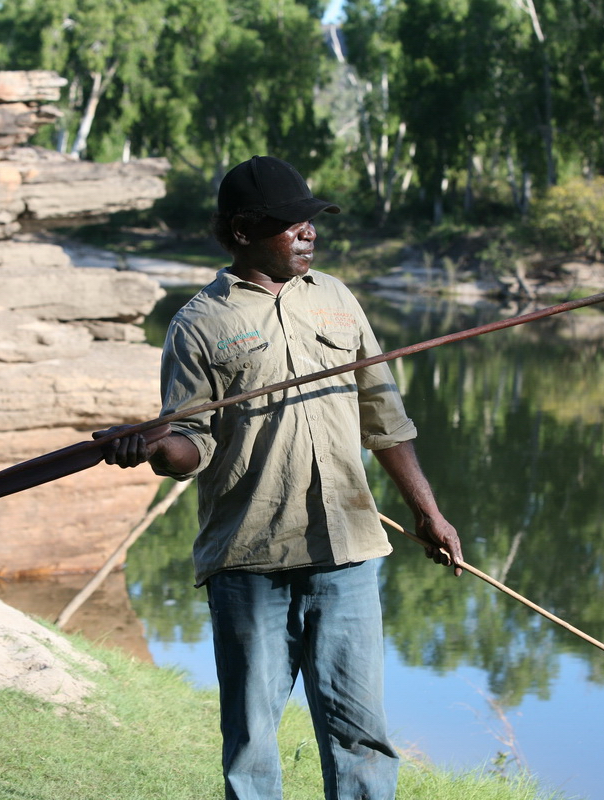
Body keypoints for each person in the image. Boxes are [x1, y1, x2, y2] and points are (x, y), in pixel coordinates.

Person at [95, 155, 462, 800]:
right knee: (253, 745)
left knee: (362, 738)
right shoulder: (199, 324)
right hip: (250, 561)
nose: (308, 233)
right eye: (290, 224)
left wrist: (428, 512)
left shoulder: (338, 299)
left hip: (347, 552)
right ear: (242, 231)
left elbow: (386, 417)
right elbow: (192, 447)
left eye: (310, 222)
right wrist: (153, 448)